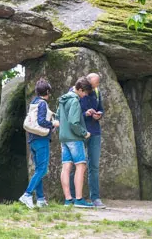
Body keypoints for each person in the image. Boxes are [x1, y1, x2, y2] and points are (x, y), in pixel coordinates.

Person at [18, 78, 59, 209]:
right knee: (42, 169)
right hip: (42, 140)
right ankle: (27, 194)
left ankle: (40, 199)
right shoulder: (42, 104)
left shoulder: (34, 102)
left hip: (33, 140)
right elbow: (41, 121)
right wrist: (53, 123)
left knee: (38, 170)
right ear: (47, 91)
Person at [56, 77, 94, 208]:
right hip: (74, 138)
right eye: (85, 93)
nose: (85, 96)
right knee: (81, 166)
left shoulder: (63, 99)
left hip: (63, 138)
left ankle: (68, 200)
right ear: (80, 90)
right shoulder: (74, 101)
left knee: (66, 167)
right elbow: (73, 122)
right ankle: (78, 199)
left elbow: (57, 117)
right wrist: (84, 133)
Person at [70, 72, 106, 209]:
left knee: (94, 166)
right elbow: (72, 114)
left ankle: (95, 198)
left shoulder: (97, 92)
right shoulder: (75, 91)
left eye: (96, 85)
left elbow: (101, 109)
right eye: (92, 85)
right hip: (80, 133)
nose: (94, 88)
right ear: (87, 81)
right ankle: (73, 198)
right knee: (77, 164)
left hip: (95, 132)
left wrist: (99, 115)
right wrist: (86, 114)